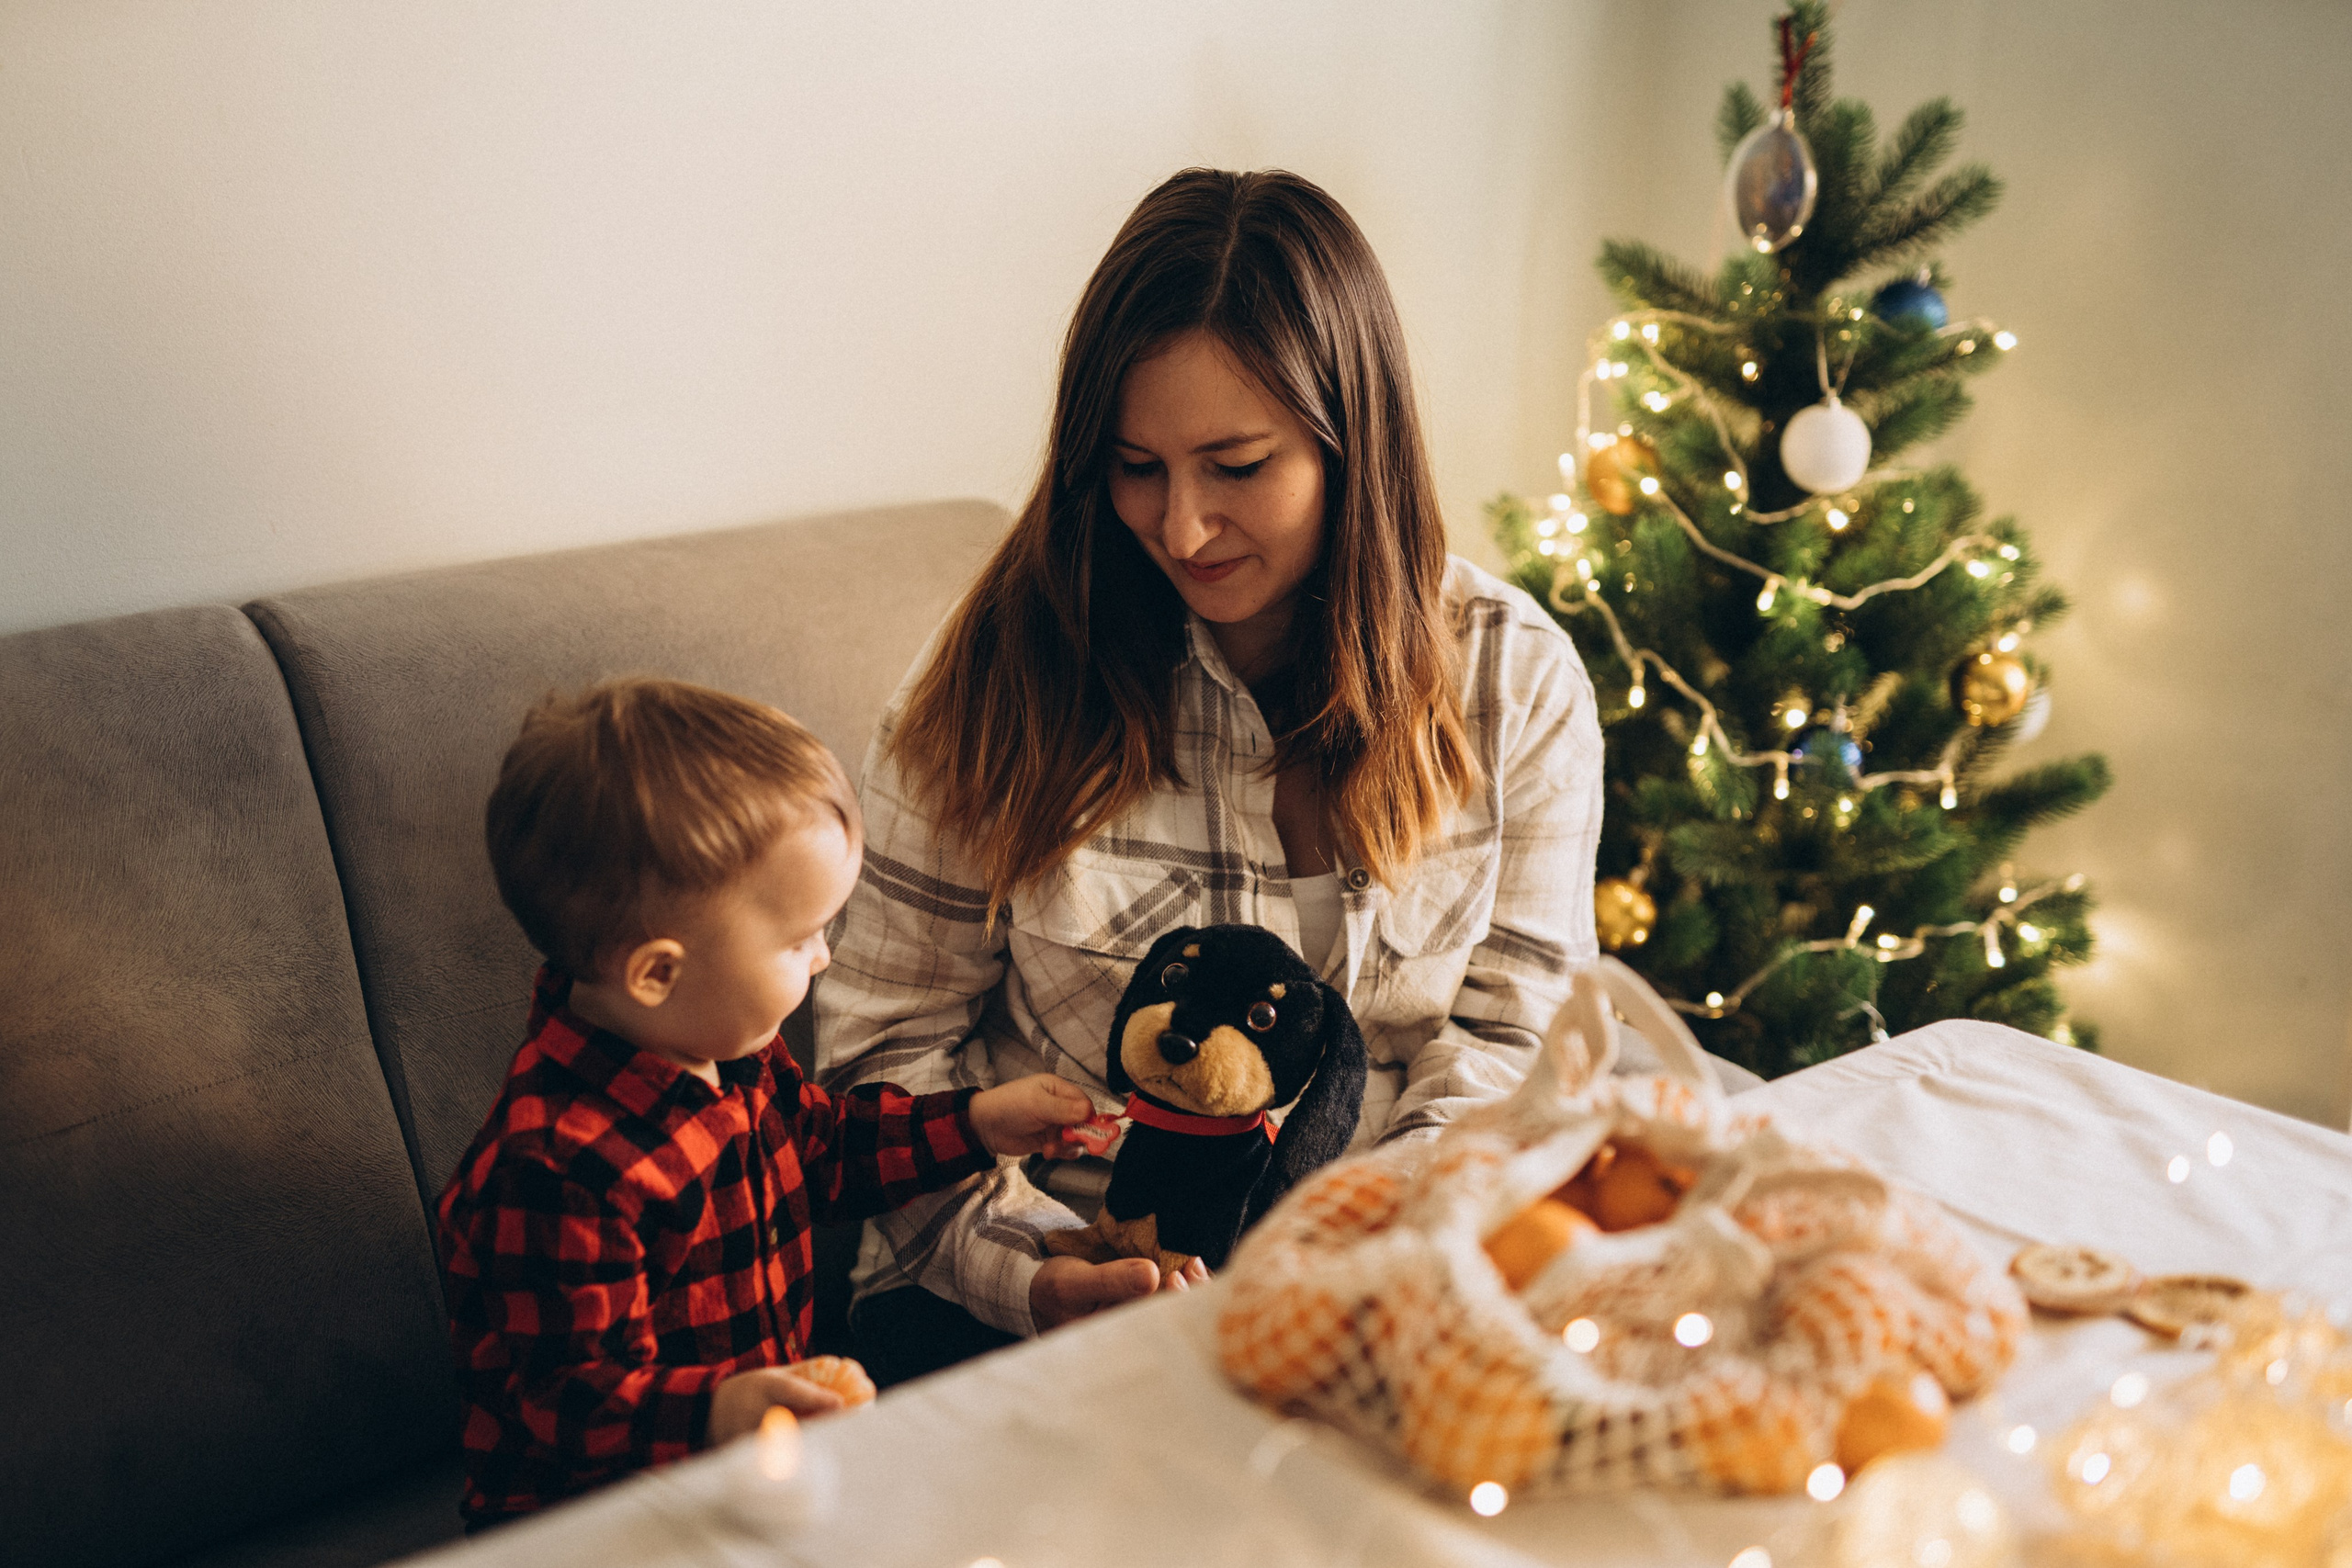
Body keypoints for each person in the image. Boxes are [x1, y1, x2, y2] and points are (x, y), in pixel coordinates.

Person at [817, 166, 1609, 1387]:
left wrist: (1379, 1258)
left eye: (1236, 467)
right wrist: (1037, 1269)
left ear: (1356, 445)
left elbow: (1516, 1044)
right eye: (1137, 467)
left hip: (1381, 1296)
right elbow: (883, 1062)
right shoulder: (993, 681)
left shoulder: (1515, 684)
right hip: (1028, 1306)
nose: (1181, 528)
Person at [435, 677, 1098, 1529]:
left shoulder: (728, 1048)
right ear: (657, 972)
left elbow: (822, 1151)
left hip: (745, 1471)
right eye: (799, 937)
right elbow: (573, 1401)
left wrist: (975, 1123)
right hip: (598, 1521)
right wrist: (722, 1413)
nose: (824, 957)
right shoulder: (556, 1167)